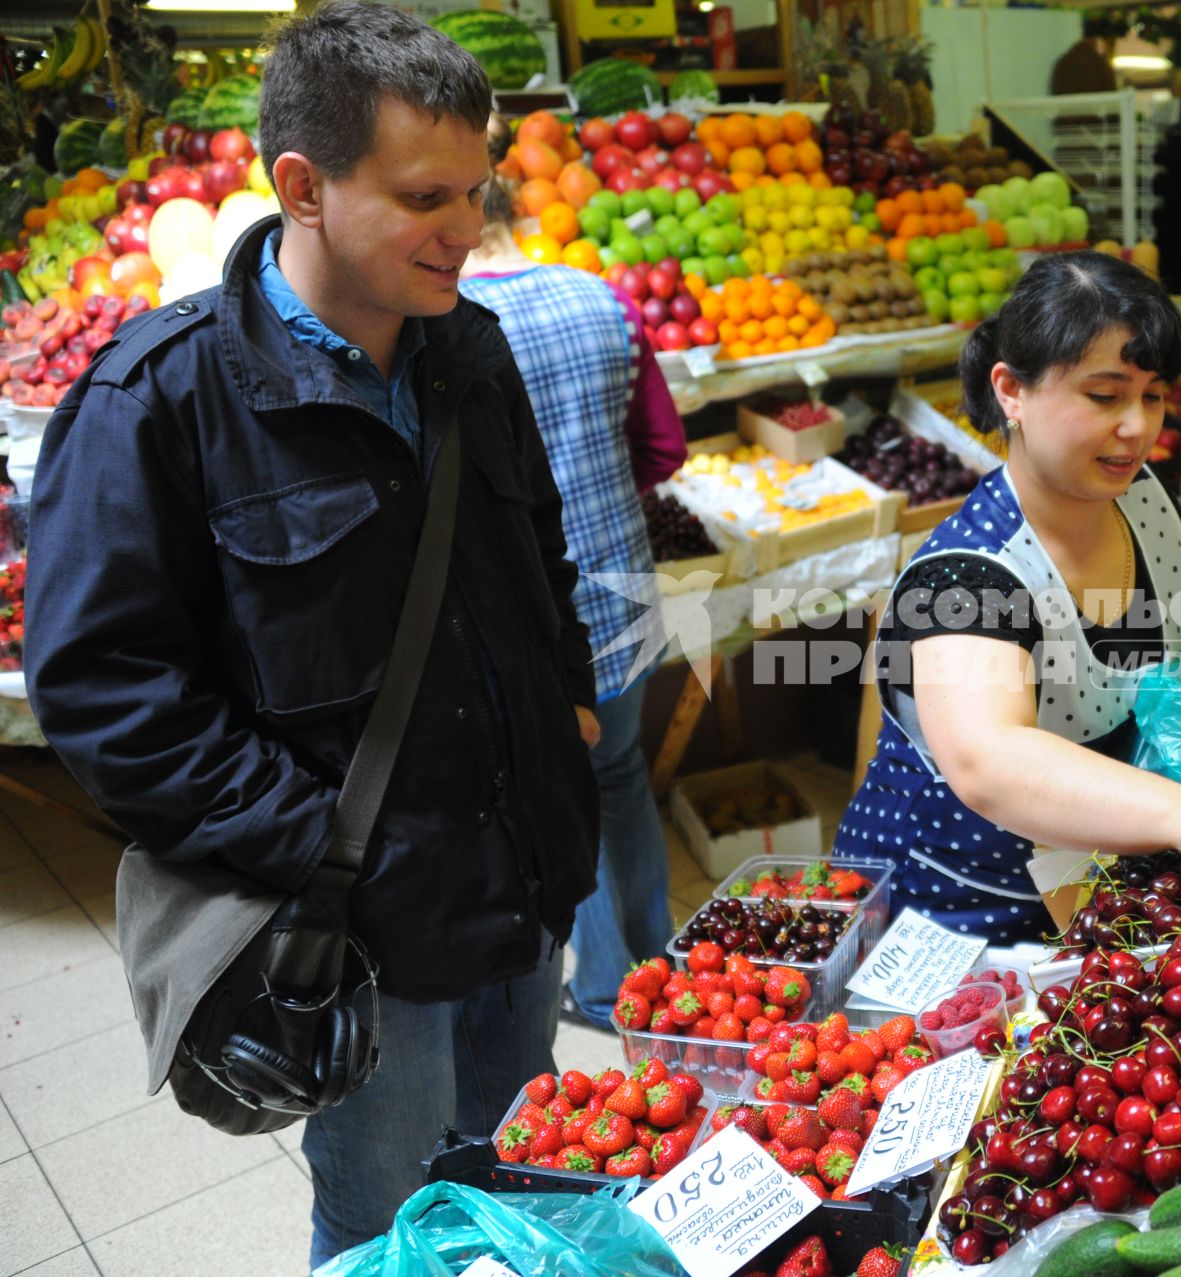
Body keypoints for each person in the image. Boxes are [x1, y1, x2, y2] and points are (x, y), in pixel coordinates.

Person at [24, 4, 599, 1266]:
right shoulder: (153, 402)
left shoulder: (473, 351)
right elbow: (106, 694)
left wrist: (572, 711)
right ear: (302, 185)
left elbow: (539, 557)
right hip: (362, 944)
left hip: (524, 888)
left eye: (479, 189)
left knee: (532, 1192)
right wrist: (323, 844)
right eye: (425, 197)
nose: (469, 228)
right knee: (385, 1223)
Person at [833, 252, 1181, 944]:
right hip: (950, 918)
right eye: (1105, 396)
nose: (1138, 427)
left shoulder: (1137, 496)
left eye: (1152, 395)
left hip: (1084, 881)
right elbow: (989, 758)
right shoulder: (965, 584)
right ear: (1011, 392)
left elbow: (1157, 589)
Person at [460, 143, 686, 1029]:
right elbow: (664, 448)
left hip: (522, 610)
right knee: (620, 773)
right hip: (623, 588)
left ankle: (601, 990)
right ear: (524, 220)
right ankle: (656, 962)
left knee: (559, 792)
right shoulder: (603, 298)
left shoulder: (446, 322)